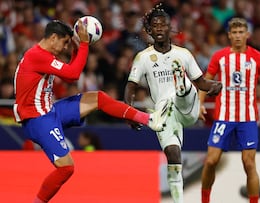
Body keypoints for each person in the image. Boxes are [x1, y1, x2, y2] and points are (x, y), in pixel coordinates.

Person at [13, 20, 172, 203]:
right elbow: (73, 75)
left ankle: (149, 119)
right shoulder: (37, 56)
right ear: (53, 37)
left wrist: (76, 49)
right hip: (37, 119)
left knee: (99, 98)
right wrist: (83, 44)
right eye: (65, 42)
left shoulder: (43, 55)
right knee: (66, 168)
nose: (65, 47)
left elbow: (70, 72)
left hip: (50, 111)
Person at [124, 5, 222, 203]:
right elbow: (130, 87)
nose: (159, 29)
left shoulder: (183, 54)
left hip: (187, 108)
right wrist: (130, 112)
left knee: (184, 87)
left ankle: (181, 87)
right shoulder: (143, 58)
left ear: (170, 28)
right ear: (149, 31)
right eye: (155, 26)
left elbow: (202, 83)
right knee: (173, 155)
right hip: (165, 114)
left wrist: (215, 85)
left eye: (163, 25)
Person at [199, 17, 260, 203]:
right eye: (234, 33)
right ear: (229, 35)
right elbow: (205, 82)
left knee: (249, 163)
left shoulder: (258, 58)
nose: (238, 36)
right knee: (210, 161)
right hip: (224, 117)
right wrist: (200, 103)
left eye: (241, 32)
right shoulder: (219, 57)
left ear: (247, 34)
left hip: (247, 118)